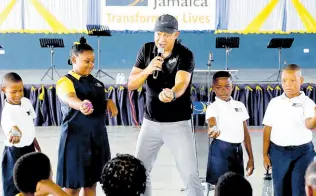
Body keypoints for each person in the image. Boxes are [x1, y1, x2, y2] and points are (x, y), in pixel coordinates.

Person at [127, 14, 204, 196]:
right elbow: (131, 84)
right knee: (139, 172)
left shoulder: (185, 54)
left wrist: (172, 93)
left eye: (167, 35)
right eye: (159, 34)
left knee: (190, 174)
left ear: (176, 34)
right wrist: (148, 69)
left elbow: (182, 83)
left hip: (178, 123)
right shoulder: (146, 50)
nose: (162, 39)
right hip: (150, 123)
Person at [56, 36, 118, 196]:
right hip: (76, 141)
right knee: (72, 187)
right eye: (87, 61)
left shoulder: (96, 82)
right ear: (73, 59)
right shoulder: (65, 81)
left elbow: (97, 101)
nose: (91, 65)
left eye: (93, 61)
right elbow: (69, 98)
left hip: (97, 139)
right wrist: (80, 105)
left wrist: (107, 102)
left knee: (91, 185)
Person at [263, 64, 316, 196]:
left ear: (301, 80)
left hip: (303, 153)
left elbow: (309, 124)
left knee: (299, 190)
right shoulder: (274, 103)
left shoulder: (307, 103)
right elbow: (267, 129)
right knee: (280, 190)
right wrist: (264, 154)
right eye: (284, 81)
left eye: (292, 80)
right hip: (278, 152)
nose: (288, 84)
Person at [205, 71, 254, 185]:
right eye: (219, 87)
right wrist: (213, 129)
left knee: (237, 186)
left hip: (237, 151)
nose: (223, 90)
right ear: (213, 88)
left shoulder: (239, 106)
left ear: (233, 87)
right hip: (220, 150)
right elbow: (212, 123)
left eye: (227, 86)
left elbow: (245, 134)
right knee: (221, 186)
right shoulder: (213, 107)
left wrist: (251, 158)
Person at [1, 72, 41, 196]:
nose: (18, 94)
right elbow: (13, 130)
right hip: (14, 153)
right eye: (13, 91)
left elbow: (30, 125)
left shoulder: (26, 102)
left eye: (21, 90)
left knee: (30, 184)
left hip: (29, 149)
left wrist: (36, 144)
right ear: (3, 90)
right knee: (14, 186)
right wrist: (15, 137)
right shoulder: (7, 113)